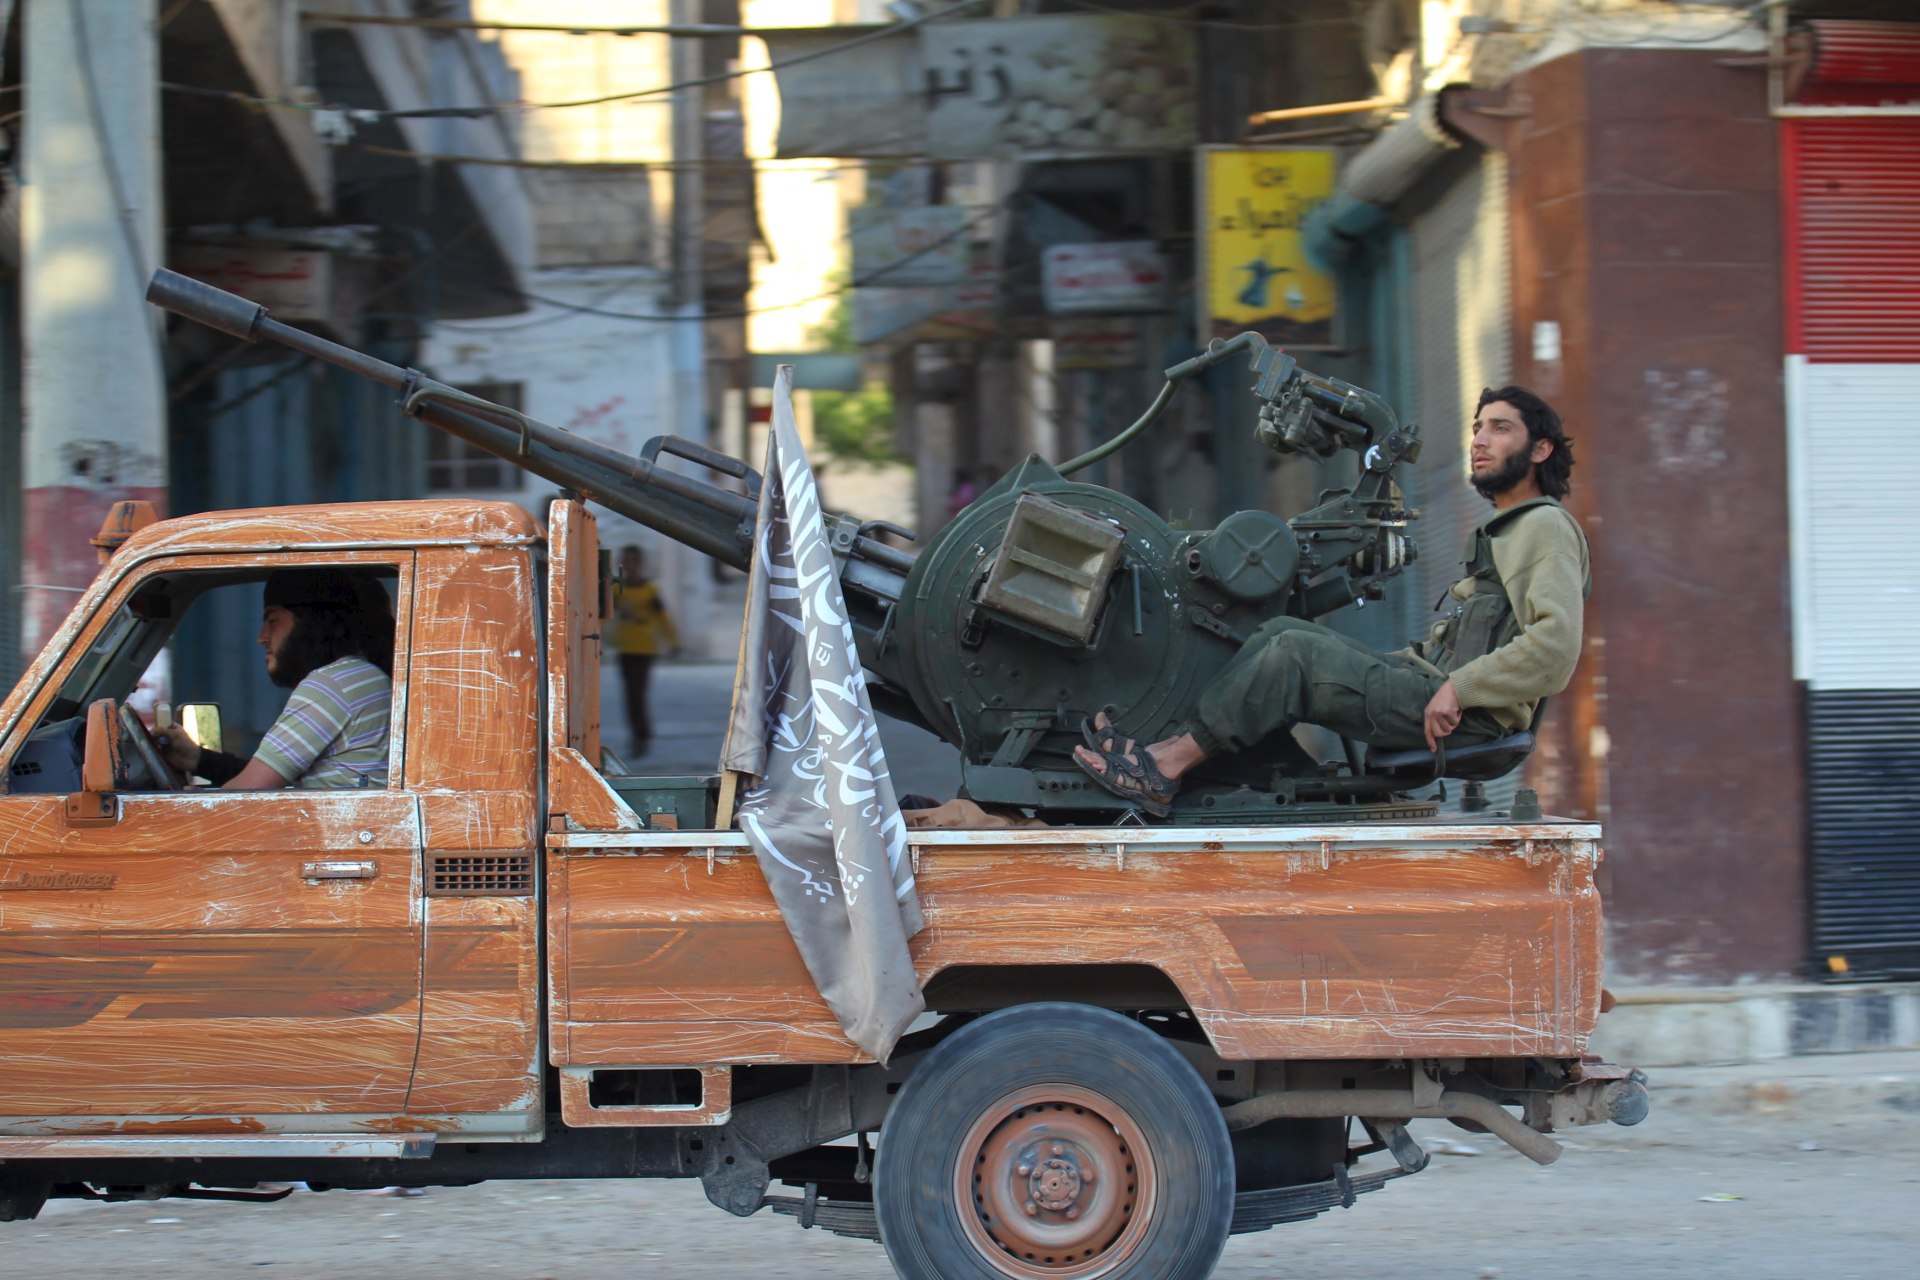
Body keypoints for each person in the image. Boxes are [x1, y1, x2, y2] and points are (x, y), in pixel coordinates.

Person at [1073, 386, 1590, 815]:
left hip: (1465, 716)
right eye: (1478, 426)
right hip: (1434, 689)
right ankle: (1165, 749)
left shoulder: (1543, 527)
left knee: (1293, 654)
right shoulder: (1509, 530)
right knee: (1277, 635)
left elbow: (1556, 647)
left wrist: (1459, 687)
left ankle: (1160, 771)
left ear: (1540, 450)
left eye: (1501, 429)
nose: (1481, 439)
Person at [162, 568, 395, 790]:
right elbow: (275, 781)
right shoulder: (363, 677)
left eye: (272, 621)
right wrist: (200, 759)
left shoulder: (333, 683)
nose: (262, 637)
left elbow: (243, 794)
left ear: (311, 621)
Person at [610, 546, 678, 756]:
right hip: (625, 647)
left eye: (633, 561)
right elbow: (603, 615)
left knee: (638, 694)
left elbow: (662, 617)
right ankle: (639, 735)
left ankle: (642, 735)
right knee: (630, 695)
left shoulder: (649, 590)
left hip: (645, 648)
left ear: (639, 564)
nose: (630, 566)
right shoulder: (617, 589)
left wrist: (673, 641)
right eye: (626, 561)